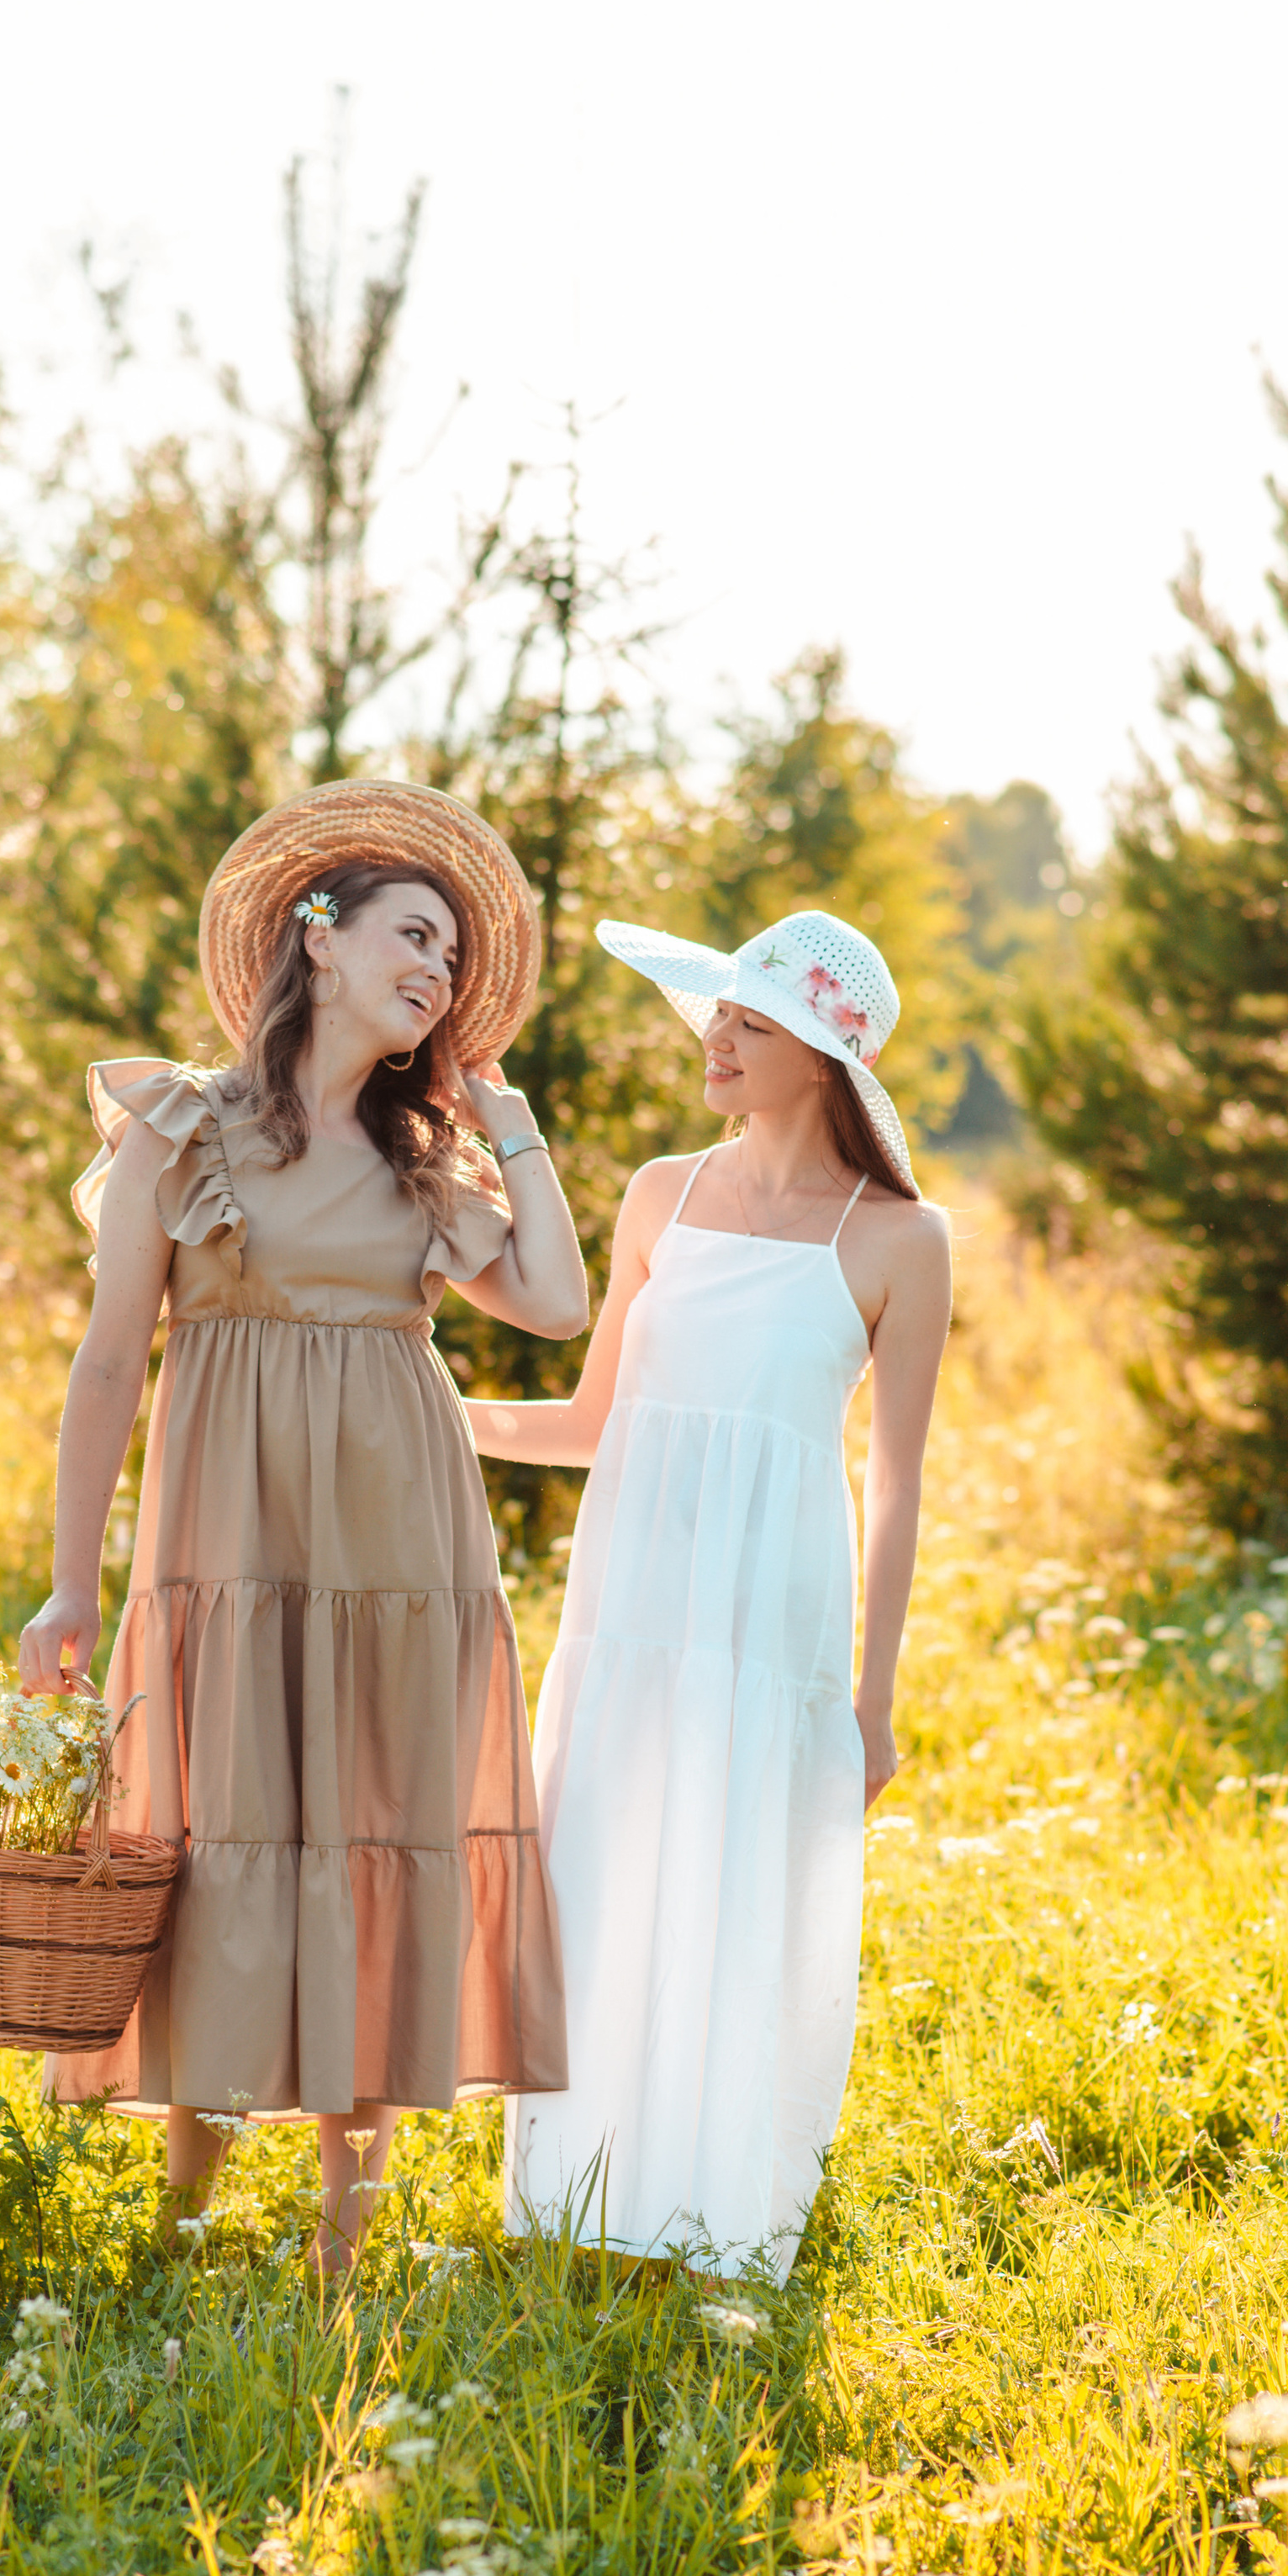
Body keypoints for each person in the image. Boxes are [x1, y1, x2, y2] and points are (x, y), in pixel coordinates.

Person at [18, 781, 586, 2274]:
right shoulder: (183, 1129)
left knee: (375, 1829)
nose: (440, 973)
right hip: (230, 1544)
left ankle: (349, 2230)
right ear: (318, 942)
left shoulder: (427, 1159)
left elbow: (557, 1304)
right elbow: (103, 1365)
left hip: (404, 1555)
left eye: (457, 960)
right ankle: (186, 2206)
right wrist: (70, 1584)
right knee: (214, 1827)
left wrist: (512, 1127)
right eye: (416, 935)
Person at [467, 909, 951, 2277]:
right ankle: (577, 2192)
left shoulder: (905, 1239)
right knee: (605, 1868)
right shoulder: (660, 1194)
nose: (717, 1037)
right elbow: (593, 1421)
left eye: (750, 1020)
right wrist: (430, 1406)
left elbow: (900, 1484)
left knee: (746, 1888)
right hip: (631, 1611)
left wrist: (874, 1699)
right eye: (718, 1013)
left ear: (824, 1057)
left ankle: (716, 2201)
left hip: (771, 1620)